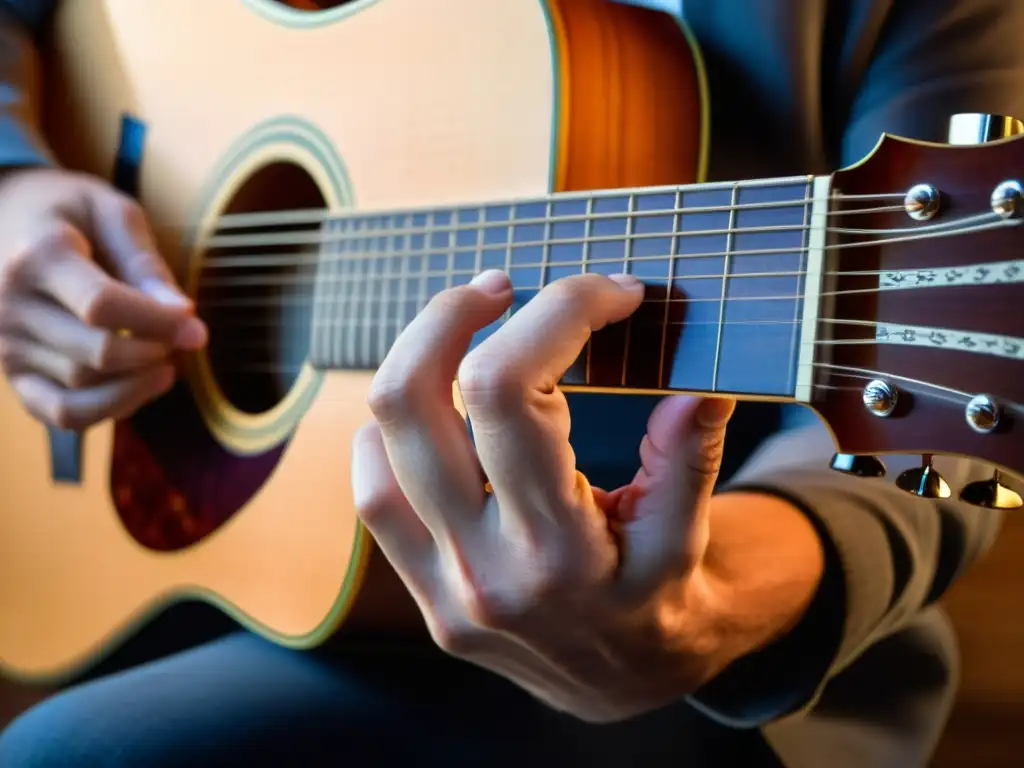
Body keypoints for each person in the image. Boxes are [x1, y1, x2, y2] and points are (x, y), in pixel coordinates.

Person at [0, 0, 1022, 765]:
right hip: (184, 527)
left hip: (659, 654)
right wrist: (14, 181)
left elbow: (942, 414)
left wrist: (703, 606)